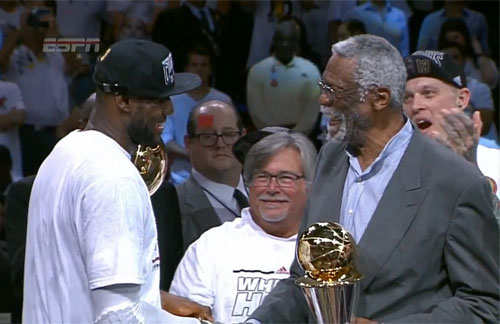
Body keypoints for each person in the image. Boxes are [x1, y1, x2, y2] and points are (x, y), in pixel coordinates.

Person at [248, 35, 499, 323]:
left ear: (380, 99)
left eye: (335, 90)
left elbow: (483, 304)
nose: (323, 99)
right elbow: (302, 278)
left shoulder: (455, 181)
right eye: (323, 87)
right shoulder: (330, 157)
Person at [22, 39, 204, 323]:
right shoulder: (113, 176)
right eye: (158, 99)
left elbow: (83, 284)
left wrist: (159, 304)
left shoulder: (65, 152)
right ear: (123, 100)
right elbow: (117, 316)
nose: (169, 109)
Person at [170, 131, 317, 323]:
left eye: (285, 178)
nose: (272, 188)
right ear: (248, 183)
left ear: (310, 184)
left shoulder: (323, 251)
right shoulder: (212, 245)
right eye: (262, 177)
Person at [403, 50, 500, 206]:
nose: (415, 106)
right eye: (406, 97)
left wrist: (469, 170)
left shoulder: (495, 163)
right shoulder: (391, 167)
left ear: (461, 99)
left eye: (428, 93)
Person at [162, 45, 233, 185]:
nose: (199, 69)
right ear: (187, 68)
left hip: (216, 178)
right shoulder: (173, 101)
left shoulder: (223, 101)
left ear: (210, 69)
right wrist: (190, 154)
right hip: (181, 178)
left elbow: (231, 137)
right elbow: (165, 138)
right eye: (194, 64)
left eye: (204, 65)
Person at [247, 18, 321, 136]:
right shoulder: (257, 71)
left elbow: (312, 111)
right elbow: (257, 111)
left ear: (296, 43)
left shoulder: (311, 70)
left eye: (289, 40)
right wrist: (274, 134)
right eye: (281, 40)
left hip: (302, 137)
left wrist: (297, 135)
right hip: (267, 137)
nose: (285, 44)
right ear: (274, 41)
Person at [343, 0, 409, 56]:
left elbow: (404, 48)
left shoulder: (400, 15)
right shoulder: (355, 14)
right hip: (363, 65)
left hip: (394, 66)